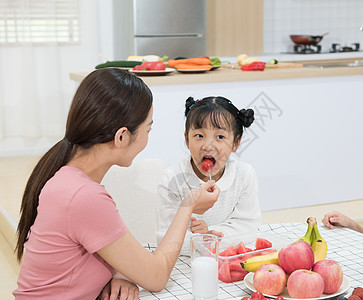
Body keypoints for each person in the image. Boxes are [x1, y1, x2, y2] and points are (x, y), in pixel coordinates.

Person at [13, 68, 219, 300]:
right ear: (121, 137)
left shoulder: (65, 178)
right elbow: (157, 276)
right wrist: (188, 205)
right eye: (147, 129)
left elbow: (94, 252)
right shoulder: (84, 197)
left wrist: (121, 272)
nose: (147, 139)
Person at [157, 96, 261, 255]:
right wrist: (202, 239)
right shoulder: (172, 179)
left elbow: (248, 229)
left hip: (227, 259)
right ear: (187, 139)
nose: (208, 146)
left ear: (235, 143)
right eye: (199, 135)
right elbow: (165, 239)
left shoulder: (244, 175)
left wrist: (209, 233)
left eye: (220, 137)